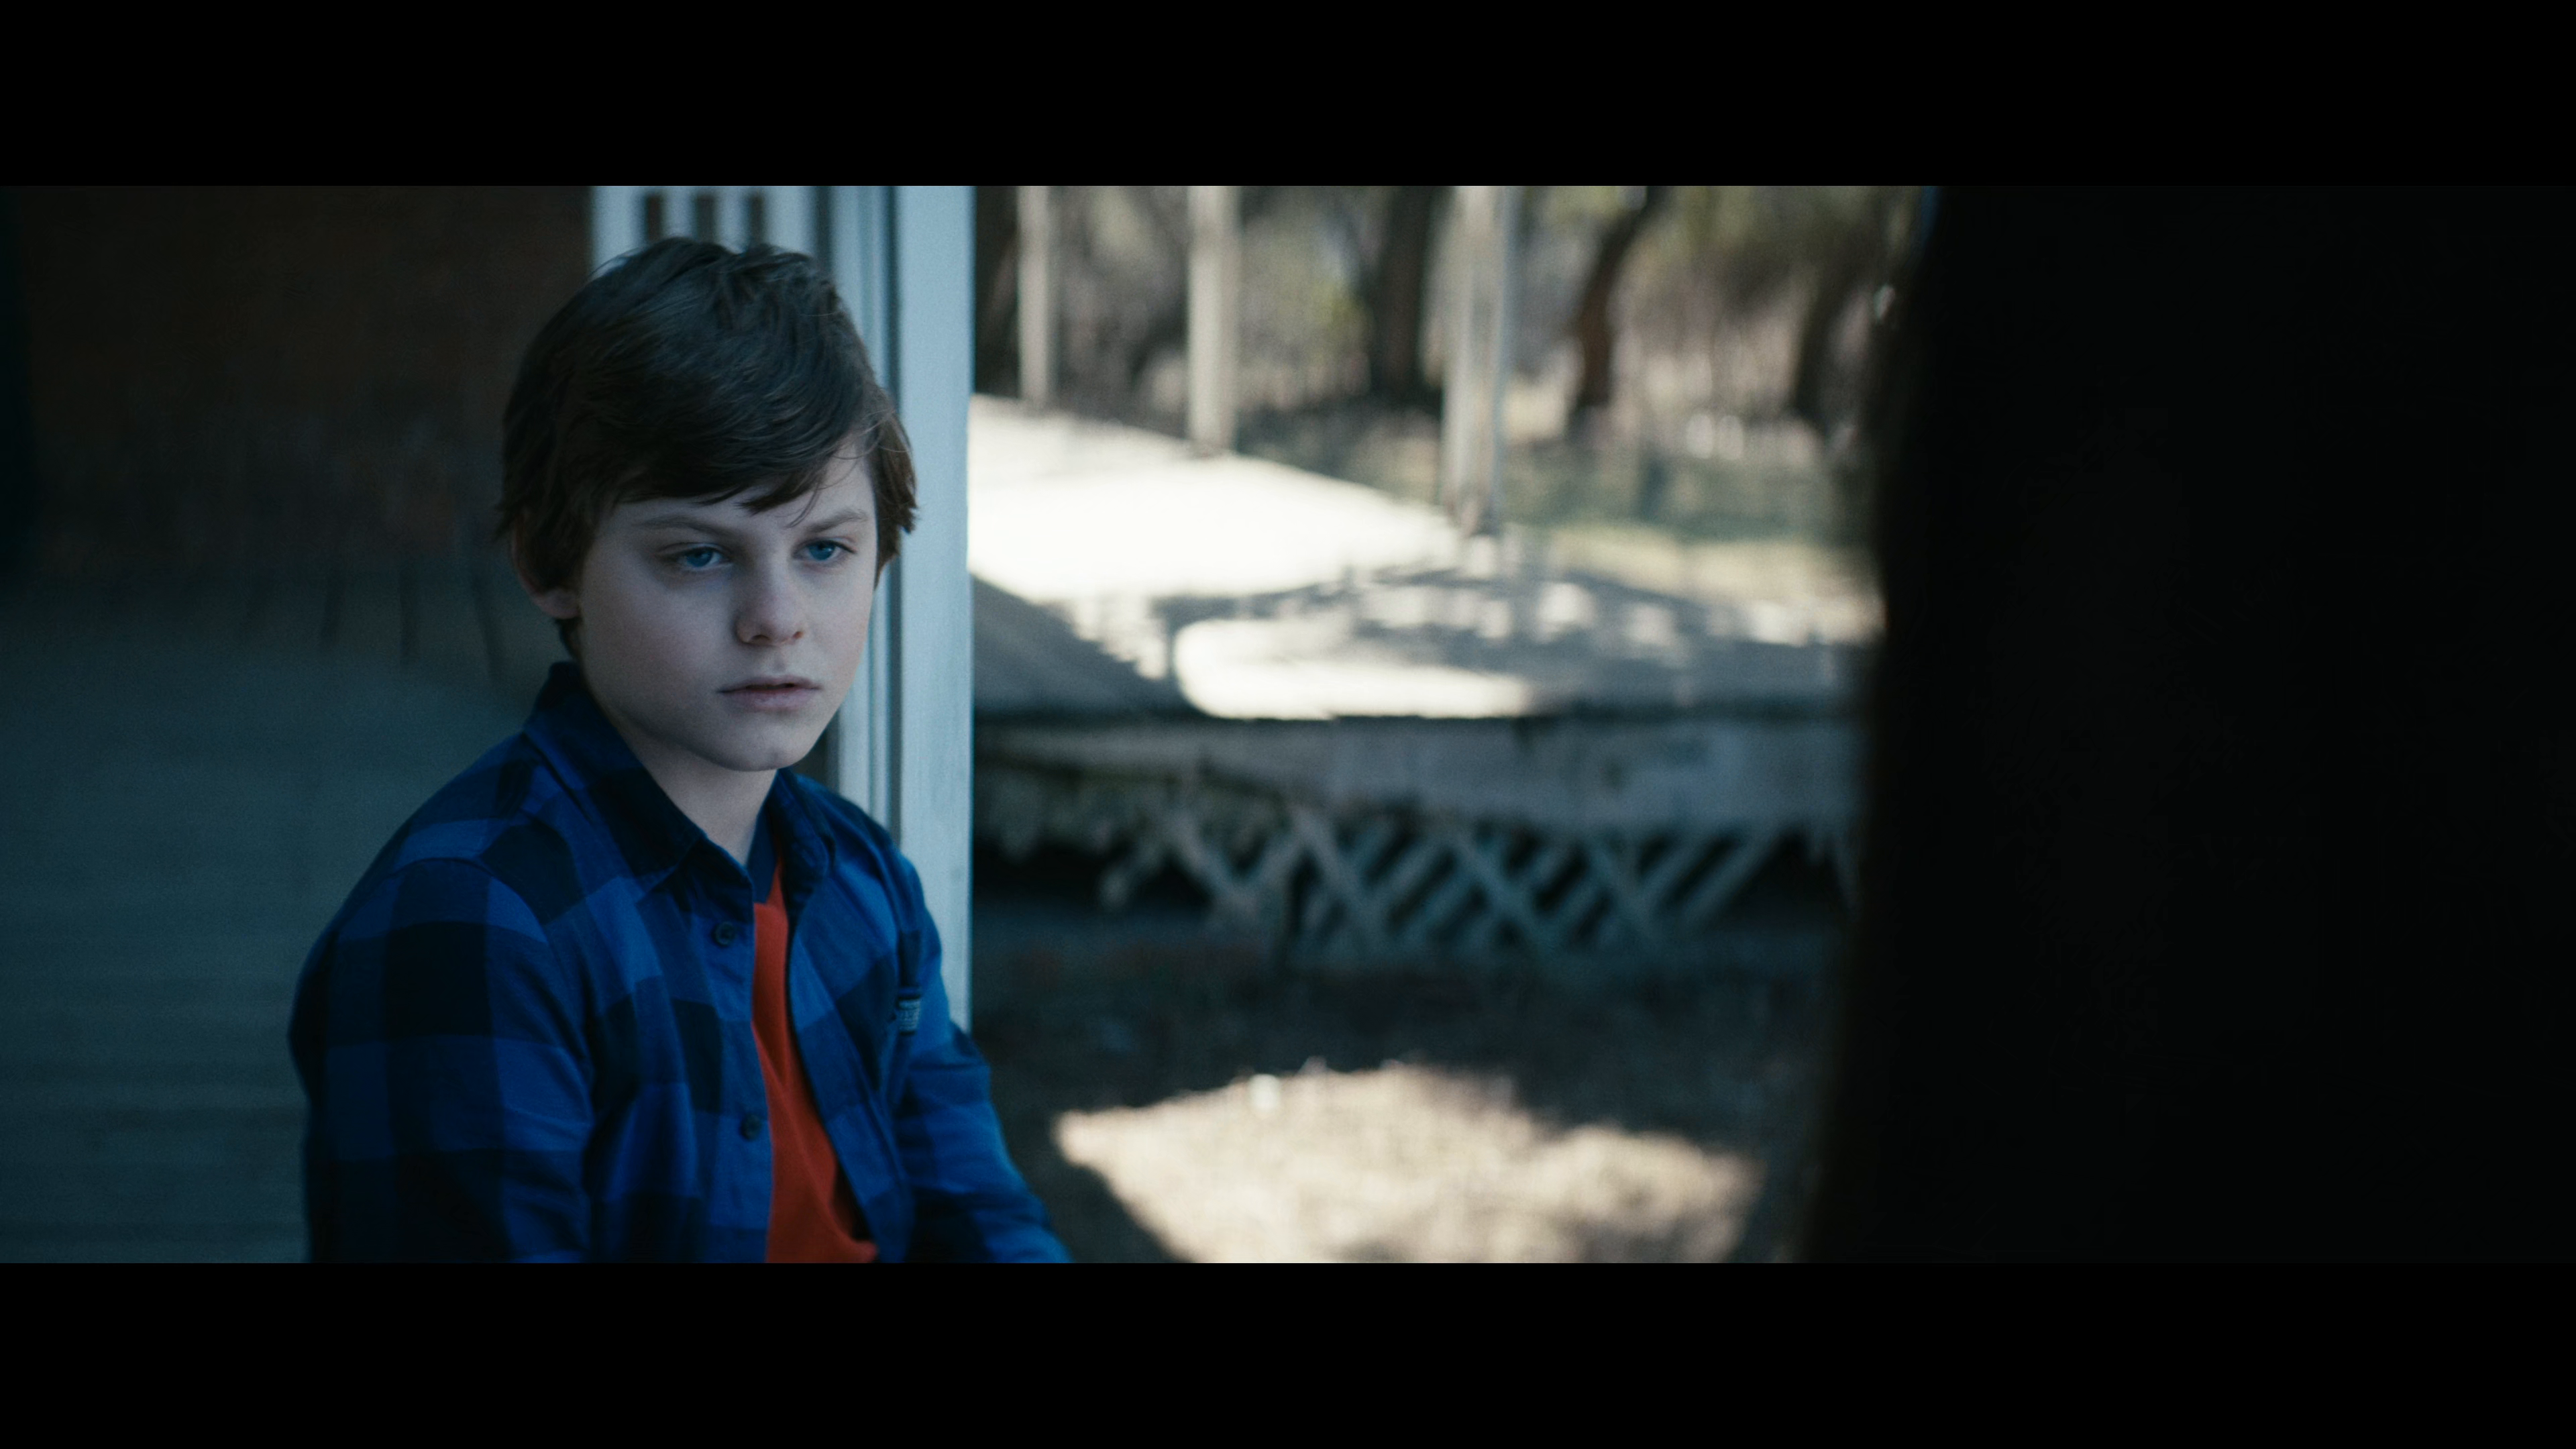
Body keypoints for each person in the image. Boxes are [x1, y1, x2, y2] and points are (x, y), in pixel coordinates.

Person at [288, 238, 1066, 1261]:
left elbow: (978, 1211)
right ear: (550, 564)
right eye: (699, 555)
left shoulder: (863, 881)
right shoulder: (473, 926)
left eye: (823, 549)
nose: (777, 618)